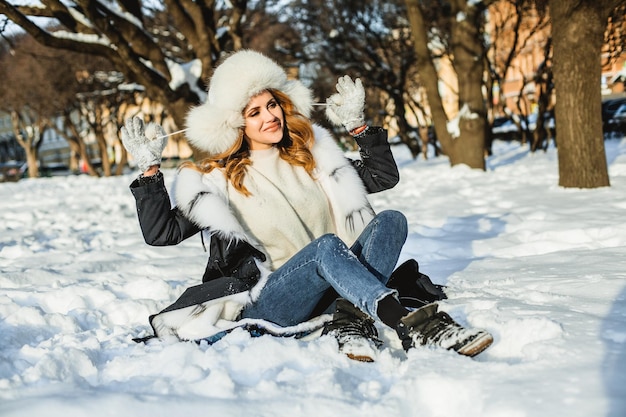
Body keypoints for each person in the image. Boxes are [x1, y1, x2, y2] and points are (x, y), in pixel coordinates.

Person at [121, 50, 493, 361]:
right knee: (324, 249)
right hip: (273, 301)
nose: (270, 116)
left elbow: (383, 177)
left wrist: (359, 128)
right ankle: (412, 324)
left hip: (334, 289)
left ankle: (349, 317)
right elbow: (161, 233)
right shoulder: (219, 180)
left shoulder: (310, 158)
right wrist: (151, 171)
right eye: (255, 113)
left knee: (391, 220)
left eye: (272, 105)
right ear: (236, 123)